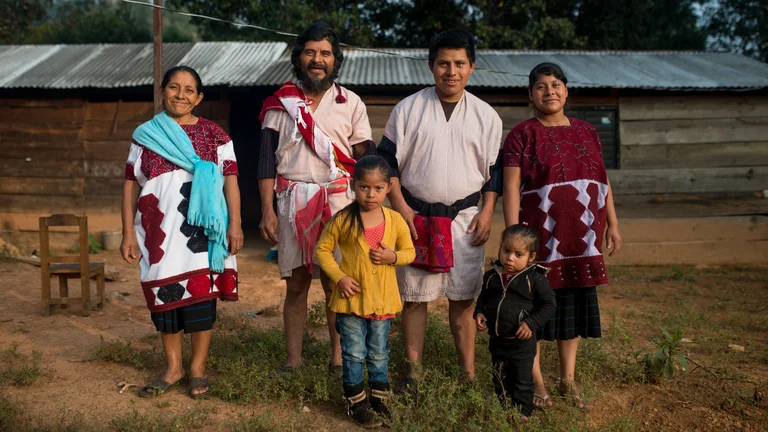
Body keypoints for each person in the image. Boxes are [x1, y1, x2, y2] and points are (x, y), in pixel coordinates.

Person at [378, 29, 503, 388]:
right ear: (431, 66)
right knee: (415, 297)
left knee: (462, 298)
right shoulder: (408, 109)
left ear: (471, 66)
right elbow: (387, 164)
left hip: (466, 219)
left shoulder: (486, 116)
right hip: (416, 217)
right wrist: (401, 208)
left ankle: (468, 373)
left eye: (459, 63)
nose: (451, 71)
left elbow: (494, 172)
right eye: (444, 63)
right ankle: (413, 373)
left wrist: (486, 212)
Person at [257, 22, 376, 375]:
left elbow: (365, 160)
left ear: (335, 60)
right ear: (299, 58)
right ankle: (293, 360)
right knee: (296, 285)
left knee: (335, 281)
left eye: (325, 53)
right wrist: (266, 210)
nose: (317, 60)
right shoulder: (279, 104)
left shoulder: (350, 102)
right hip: (292, 203)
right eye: (310, 52)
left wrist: (369, 209)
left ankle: (338, 358)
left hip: (340, 203)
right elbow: (265, 161)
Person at [502, 62, 622, 410]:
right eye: (541, 86)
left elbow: (602, 181)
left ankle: (568, 380)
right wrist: (514, 238)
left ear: (566, 91)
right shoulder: (521, 134)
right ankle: (537, 383)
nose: (549, 91)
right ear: (531, 94)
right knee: (536, 308)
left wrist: (613, 224)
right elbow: (511, 187)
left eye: (556, 84)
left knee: (572, 309)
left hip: (583, 239)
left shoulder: (588, 131)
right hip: (542, 240)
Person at [121, 65, 243, 399]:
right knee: (165, 301)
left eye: (189, 90)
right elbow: (131, 185)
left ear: (199, 98)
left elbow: (230, 180)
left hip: (203, 234)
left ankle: (197, 369)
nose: (181, 95)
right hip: (158, 231)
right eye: (174, 87)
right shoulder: (145, 135)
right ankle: (173, 368)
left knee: (202, 299)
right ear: (162, 91)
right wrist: (127, 232)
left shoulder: (215, 135)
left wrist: (235, 223)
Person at [315, 155, 416, 428]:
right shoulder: (342, 220)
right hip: (350, 302)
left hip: (382, 302)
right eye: (364, 187)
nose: (371, 195)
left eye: (378, 188)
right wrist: (339, 278)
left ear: (388, 188)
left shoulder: (395, 220)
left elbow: (410, 251)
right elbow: (322, 250)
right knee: (353, 353)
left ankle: (380, 400)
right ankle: (356, 403)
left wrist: (393, 257)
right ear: (353, 186)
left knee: (379, 352)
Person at [474, 224, 556, 422]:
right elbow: (484, 297)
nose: (510, 258)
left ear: (531, 257)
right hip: (497, 340)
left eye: (518, 254)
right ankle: (504, 409)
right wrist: (479, 312)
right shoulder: (492, 276)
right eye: (506, 251)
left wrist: (530, 323)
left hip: (522, 342)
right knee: (500, 378)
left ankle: (523, 413)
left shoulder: (535, 279)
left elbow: (549, 305)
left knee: (521, 379)